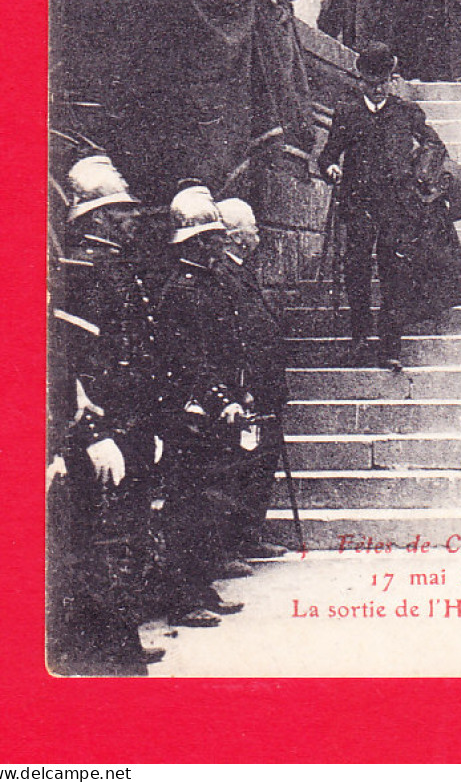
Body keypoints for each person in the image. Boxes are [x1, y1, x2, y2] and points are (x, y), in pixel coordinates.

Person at [48, 154, 166, 673]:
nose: (130, 218)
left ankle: (123, 638)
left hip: (131, 419)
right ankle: (109, 650)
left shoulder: (115, 263)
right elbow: (74, 360)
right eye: (118, 212)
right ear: (95, 216)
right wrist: (95, 429)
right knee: (107, 536)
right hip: (103, 424)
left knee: (130, 528)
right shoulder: (84, 270)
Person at [318, 43, 461, 371]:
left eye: (382, 83)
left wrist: (421, 173)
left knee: (395, 274)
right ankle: (360, 339)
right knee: (357, 272)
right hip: (359, 205)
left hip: (398, 207)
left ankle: (391, 346)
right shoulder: (347, 113)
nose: (376, 90)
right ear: (360, 81)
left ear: (391, 80)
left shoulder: (406, 112)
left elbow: (435, 145)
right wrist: (330, 168)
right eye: (370, 83)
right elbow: (328, 155)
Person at [156, 185, 256, 629]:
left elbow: (227, 346)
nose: (221, 244)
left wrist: (239, 392)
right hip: (189, 413)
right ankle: (182, 595)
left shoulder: (210, 284)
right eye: (214, 239)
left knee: (207, 500)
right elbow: (186, 357)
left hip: (216, 406)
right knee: (186, 504)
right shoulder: (181, 290)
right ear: (196, 244)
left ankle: (200, 584)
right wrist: (219, 400)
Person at [213, 197, 290, 563]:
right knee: (240, 467)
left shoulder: (241, 270)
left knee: (261, 464)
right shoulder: (223, 275)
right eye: (252, 227)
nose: (257, 233)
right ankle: (227, 545)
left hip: (266, 387)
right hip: (248, 389)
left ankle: (248, 536)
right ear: (235, 236)